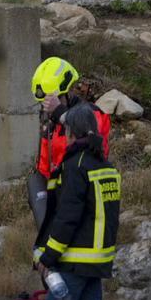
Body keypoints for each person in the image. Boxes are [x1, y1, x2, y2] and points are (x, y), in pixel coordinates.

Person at [34, 104, 121, 300]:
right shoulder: (105, 164)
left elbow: (67, 217)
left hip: (76, 258)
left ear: (72, 131)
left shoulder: (75, 166)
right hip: (99, 259)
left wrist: (49, 256)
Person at [27, 56, 111, 230]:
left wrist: (61, 113)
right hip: (60, 200)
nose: (46, 107)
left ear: (68, 92)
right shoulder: (50, 123)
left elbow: (94, 147)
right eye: (43, 103)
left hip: (85, 197)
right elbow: (44, 166)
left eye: (52, 100)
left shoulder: (92, 114)